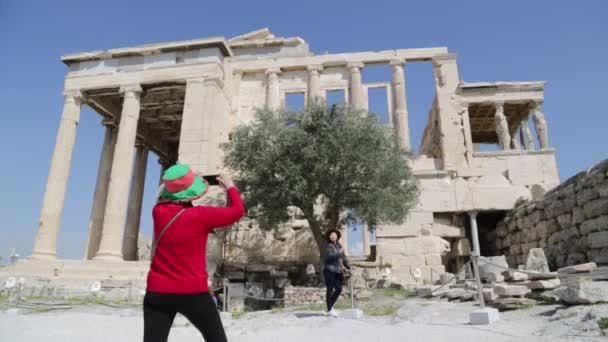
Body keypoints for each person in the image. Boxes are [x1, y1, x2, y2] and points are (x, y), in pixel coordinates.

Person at [144, 164, 245, 342]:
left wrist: (184, 181)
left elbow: (162, 196)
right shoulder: (201, 216)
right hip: (192, 293)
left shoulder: (158, 212)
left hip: (157, 291)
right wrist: (230, 187)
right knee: (216, 339)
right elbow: (237, 211)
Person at [323, 228, 351, 317]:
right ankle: (330, 309)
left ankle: (329, 306)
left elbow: (344, 259)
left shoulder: (339, 246)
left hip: (338, 271)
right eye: (331, 235)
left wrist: (349, 267)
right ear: (329, 237)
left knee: (339, 289)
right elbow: (330, 257)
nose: (333, 236)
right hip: (329, 270)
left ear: (337, 236)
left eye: (334, 234)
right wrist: (339, 253)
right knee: (330, 289)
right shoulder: (328, 246)